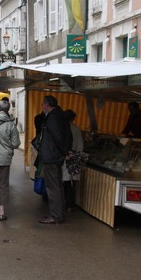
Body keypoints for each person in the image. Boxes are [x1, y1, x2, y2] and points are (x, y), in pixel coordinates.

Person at [38, 95, 73, 224]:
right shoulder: (62, 116)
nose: (42, 107)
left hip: (51, 156)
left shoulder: (52, 118)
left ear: (47, 105)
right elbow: (68, 134)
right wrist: (67, 151)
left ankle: (56, 215)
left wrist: (65, 151)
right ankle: (59, 214)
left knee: (52, 187)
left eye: (43, 104)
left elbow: (57, 137)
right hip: (57, 156)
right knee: (58, 185)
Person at [62, 109, 83, 212]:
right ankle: (72, 203)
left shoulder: (61, 128)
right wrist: (76, 155)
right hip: (74, 156)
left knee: (65, 181)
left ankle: (66, 202)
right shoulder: (76, 129)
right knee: (73, 181)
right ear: (72, 118)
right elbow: (80, 145)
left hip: (64, 156)